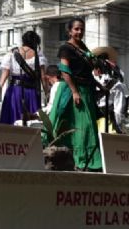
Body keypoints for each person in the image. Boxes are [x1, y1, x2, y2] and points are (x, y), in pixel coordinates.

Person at [49, 17, 102, 171]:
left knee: (90, 125)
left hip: (87, 90)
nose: (80, 32)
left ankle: (89, 158)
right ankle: (81, 159)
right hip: (74, 89)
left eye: (82, 29)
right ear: (69, 31)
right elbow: (65, 71)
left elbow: (87, 73)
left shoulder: (83, 47)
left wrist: (99, 86)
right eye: (76, 29)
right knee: (82, 126)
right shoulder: (66, 48)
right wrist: (74, 92)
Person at [0, 30, 47, 125]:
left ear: (23, 40)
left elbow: (5, 74)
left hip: (14, 92)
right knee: (31, 121)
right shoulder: (38, 55)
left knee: (12, 118)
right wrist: (47, 93)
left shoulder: (12, 53)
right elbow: (43, 77)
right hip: (31, 92)